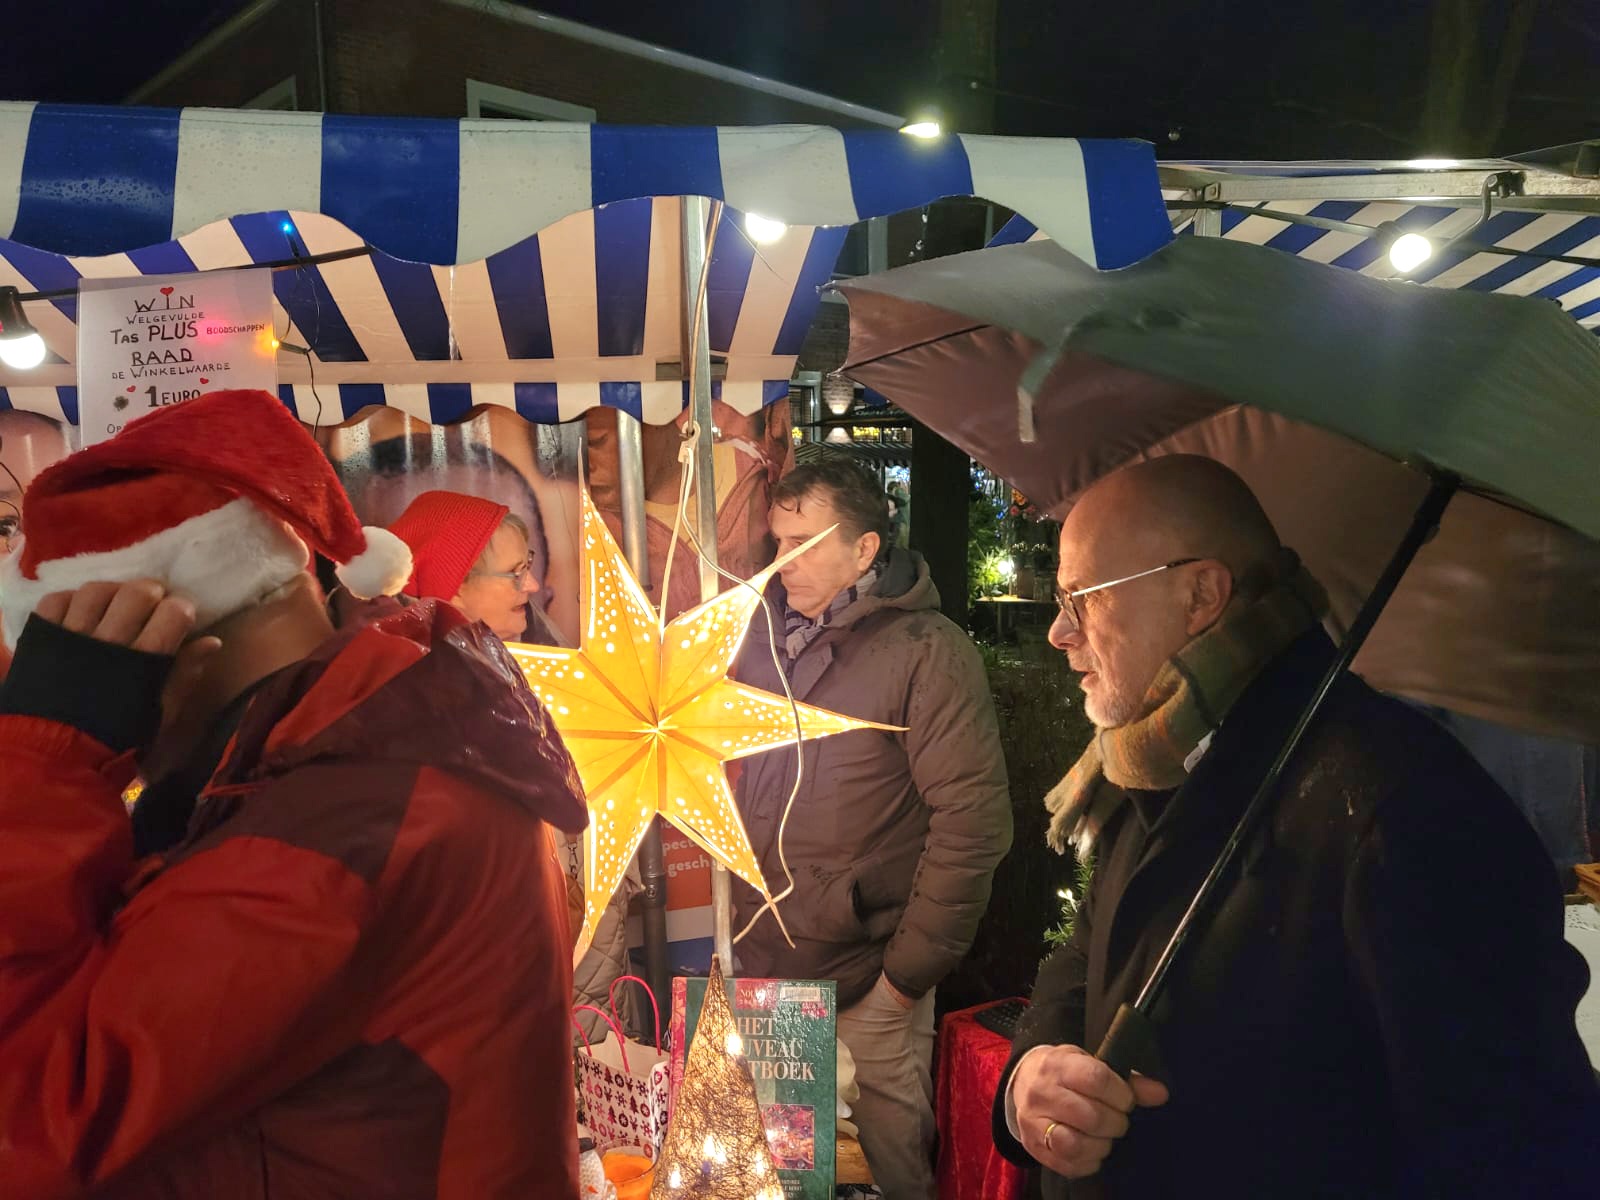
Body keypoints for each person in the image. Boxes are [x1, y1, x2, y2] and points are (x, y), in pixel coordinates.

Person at [0, 389, 589, 1198]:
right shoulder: (362, 747)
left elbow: (29, 1128)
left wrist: (48, 760)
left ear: (178, 652)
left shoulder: (340, 820)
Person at [994, 455, 1598, 1198]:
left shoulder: (1405, 808)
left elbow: (1513, 1148)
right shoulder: (1154, 753)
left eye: (1081, 596)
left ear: (1200, 595)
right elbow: (1089, 954)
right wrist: (1033, 1072)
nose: (1060, 632)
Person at [730, 459, 1012, 1199]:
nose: (786, 560)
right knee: (786, 1175)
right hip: (769, 965)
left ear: (865, 549)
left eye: (808, 541)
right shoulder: (757, 636)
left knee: (887, 1171)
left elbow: (974, 822)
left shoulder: (926, 650)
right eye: (780, 539)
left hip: (868, 981)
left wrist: (902, 982)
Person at [388, 488, 563, 645]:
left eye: (527, 565)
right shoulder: (432, 679)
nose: (533, 586)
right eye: (515, 572)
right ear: (455, 589)